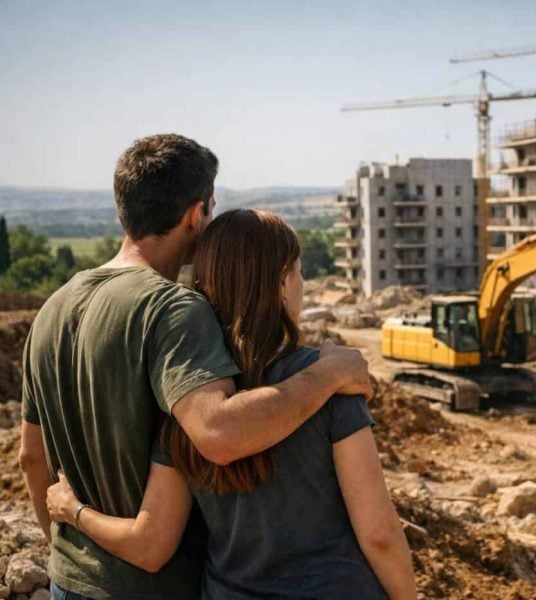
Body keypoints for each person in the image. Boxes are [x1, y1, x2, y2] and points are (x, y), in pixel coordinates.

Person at [18, 134, 373, 600]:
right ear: (195, 214)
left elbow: (31, 459)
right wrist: (328, 375)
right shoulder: (172, 308)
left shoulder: (53, 308)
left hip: (70, 581)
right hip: (154, 589)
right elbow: (220, 433)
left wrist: (74, 553)